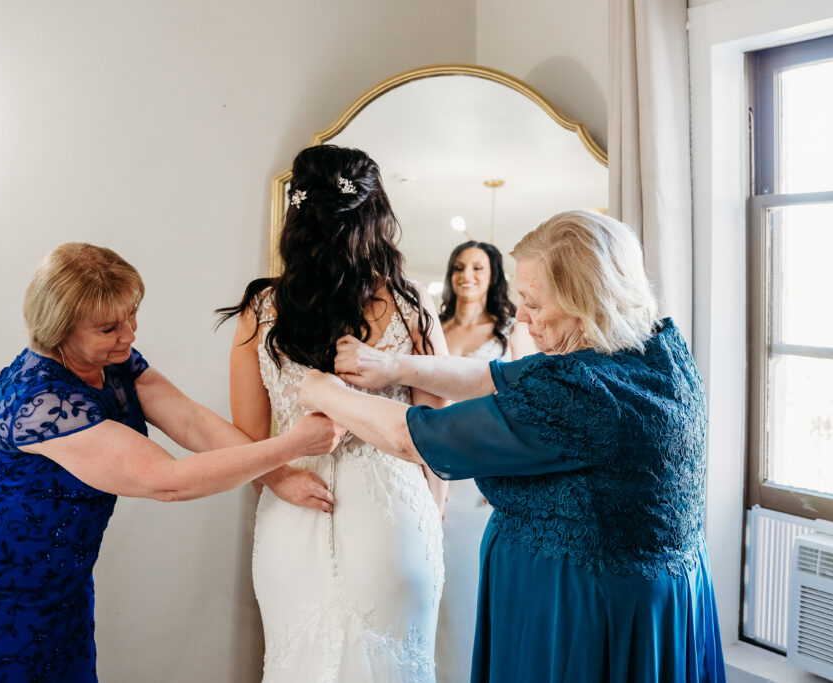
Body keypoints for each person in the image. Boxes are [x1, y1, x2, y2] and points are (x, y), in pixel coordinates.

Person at [299, 210, 727, 682]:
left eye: (534, 304)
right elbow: (491, 376)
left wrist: (328, 394)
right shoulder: (655, 351)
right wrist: (397, 367)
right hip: (654, 598)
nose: (520, 316)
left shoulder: (582, 393)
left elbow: (413, 435)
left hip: (581, 616)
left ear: (587, 301)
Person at [0, 243, 344, 683]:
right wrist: (290, 446)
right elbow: (168, 481)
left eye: (132, 315)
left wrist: (277, 477)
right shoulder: (40, 401)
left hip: (61, 568)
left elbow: (189, 420)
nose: (129, 334)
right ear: (59, 331)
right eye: (109, 328)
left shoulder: (113, 362)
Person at [217, 144, 448, 682]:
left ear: (296, 216)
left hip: (296, 504)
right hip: (394, 514)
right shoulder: (411, 308)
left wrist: (277, 480)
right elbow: (436, 440)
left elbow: (245, 441)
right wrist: (431, 519)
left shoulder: (260, 312)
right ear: (376, 217)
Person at [434, 240, 536, 683]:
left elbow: (528, 409)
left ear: (493, 274)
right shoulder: (434, 327)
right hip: (430, 465)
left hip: (482, 480)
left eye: (477, 267)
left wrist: (506, 478)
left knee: (470, 589)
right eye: (459, 267)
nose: (466, 275)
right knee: (431, 589)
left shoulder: (510, 332)